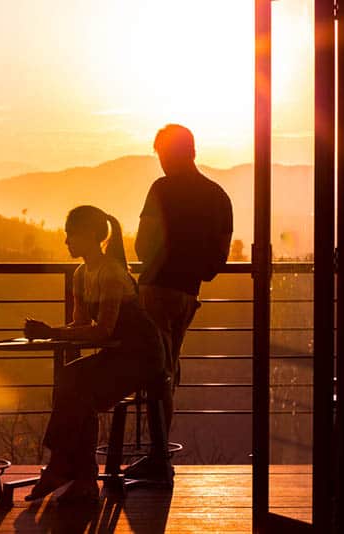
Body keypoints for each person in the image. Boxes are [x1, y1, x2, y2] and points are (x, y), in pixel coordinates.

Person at [23, 205, 168, 503]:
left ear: (89, 235)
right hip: (119, 353)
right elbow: (80, 325)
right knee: (72, 380)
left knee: (77, 386)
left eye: (70, 235)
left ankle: (65, 469)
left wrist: (53, 332)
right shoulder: (80, 274)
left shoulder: (111, 274)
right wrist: (50, 331)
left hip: (142, 356)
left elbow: (102, 331)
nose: (66, 242)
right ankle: (79, 475)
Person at [129, 124, 233, 479]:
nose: (160, 164)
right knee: (167, 370)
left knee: (155, 373)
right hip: (189, 295)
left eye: (161, 155)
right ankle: (159, 454)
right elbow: (217, 262)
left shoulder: (161, 189)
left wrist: (163, 254)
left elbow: (142, 246)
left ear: (168, 154)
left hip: (155, 289)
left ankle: (159, 457)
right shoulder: (218, 196)